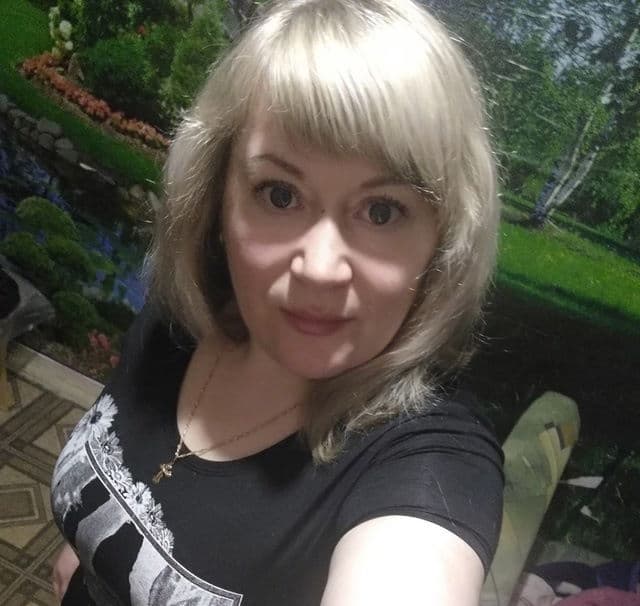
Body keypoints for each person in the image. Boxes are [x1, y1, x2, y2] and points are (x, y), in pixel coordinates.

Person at [51, 0, 504, 603]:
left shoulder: (429, 459)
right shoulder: (182, 321)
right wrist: (87, 545)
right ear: (217, 198)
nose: (319, 269)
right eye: (280, 195)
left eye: (381, 211)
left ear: (441, 244)